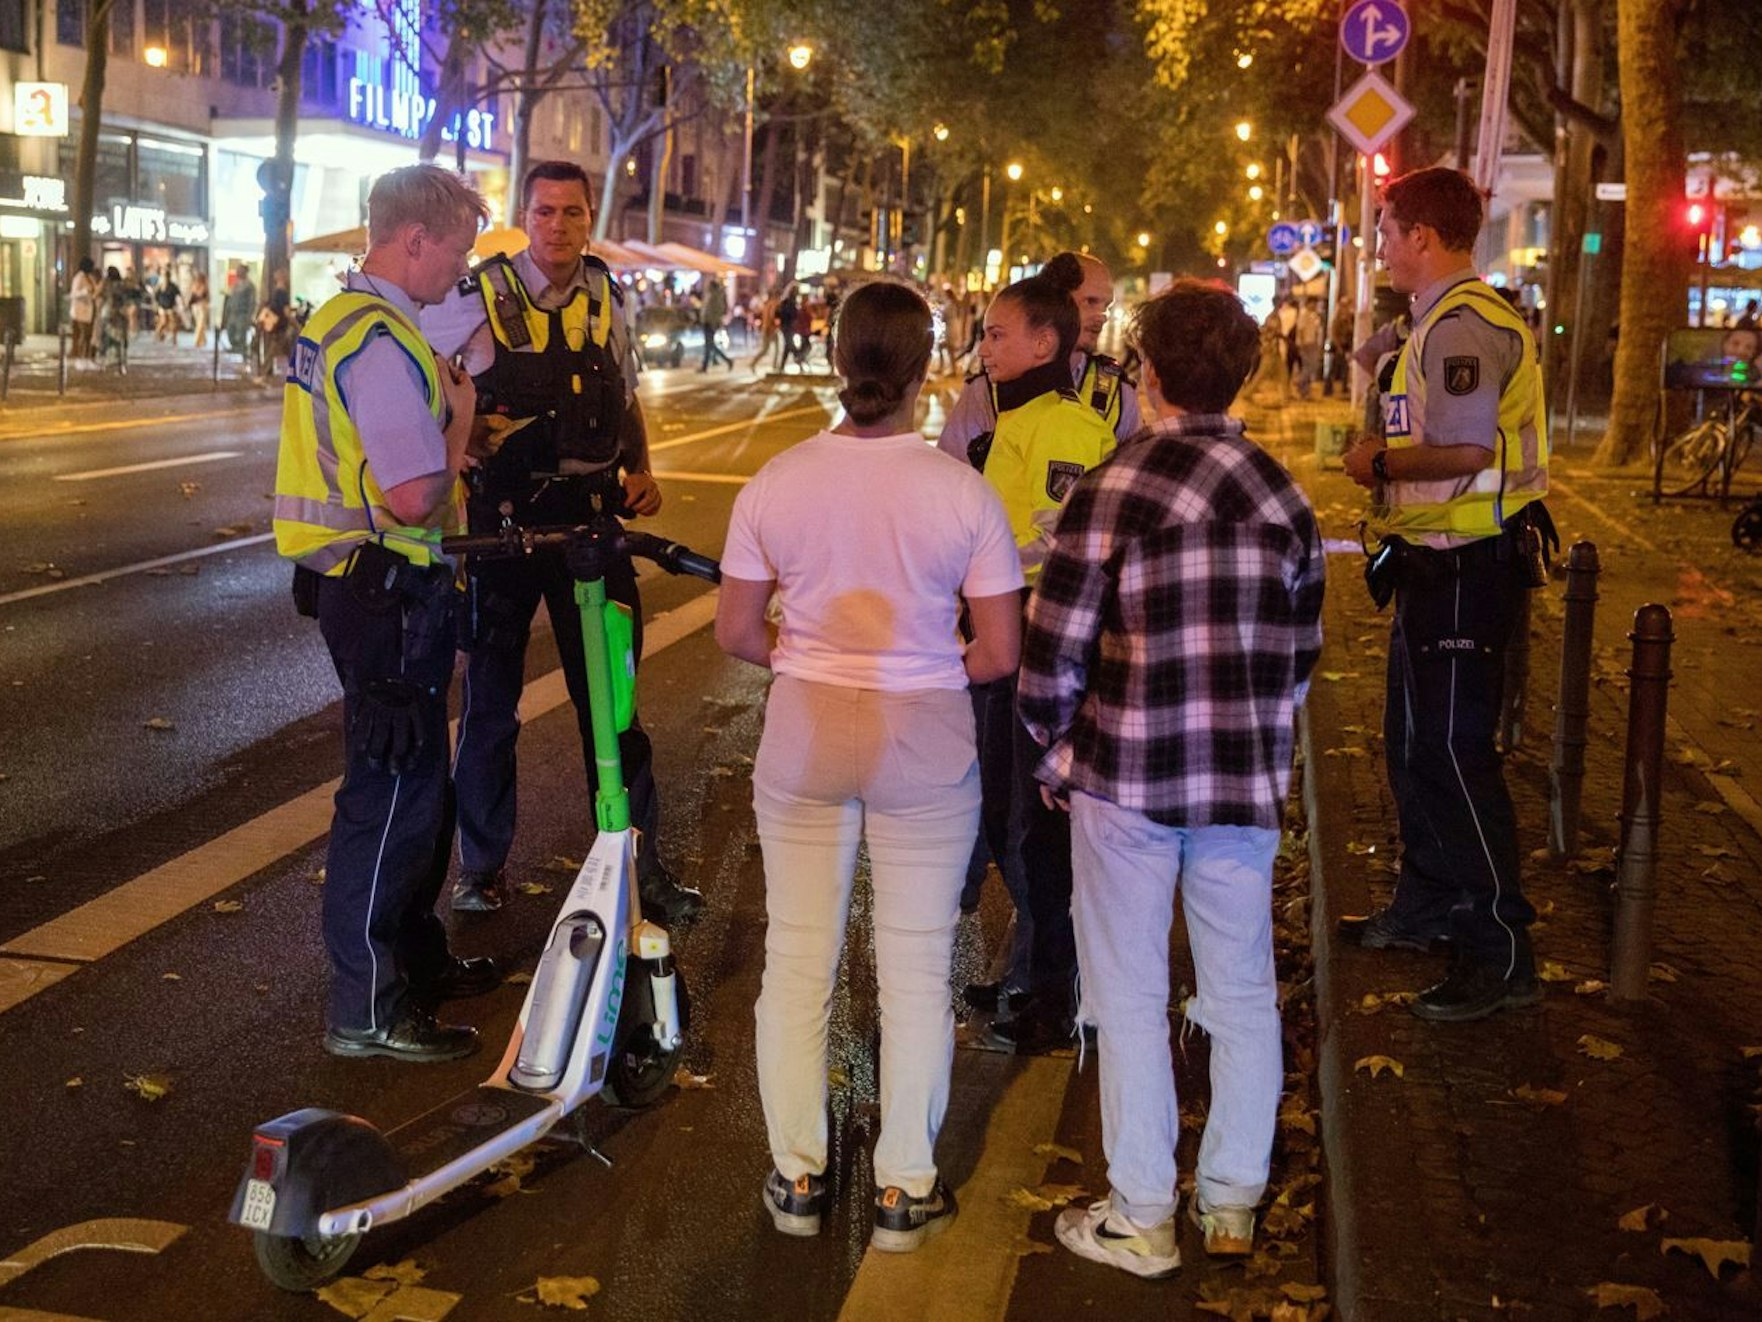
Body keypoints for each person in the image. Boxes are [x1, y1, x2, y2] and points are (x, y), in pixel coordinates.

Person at [1020, 279, 1324, 1280]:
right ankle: (1232, 1199)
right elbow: (1300, 655)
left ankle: (1142, 1211)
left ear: (1146, 372)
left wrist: (1056, 747)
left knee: (1129, 991)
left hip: (1126, 776)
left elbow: (1054, 649)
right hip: (1239, 783)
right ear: (1244, 373)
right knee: (1241, 988)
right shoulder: (1283, 496)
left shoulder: (1112, 487)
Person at [715, 279, 1023, 1253]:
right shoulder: (962, 491)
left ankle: (798, 1172)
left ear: (835, 355)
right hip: (924, 734)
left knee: (798, 958)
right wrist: (928, 667)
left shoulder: (776, 481)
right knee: (917, 966)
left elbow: (736, 630)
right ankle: (902, 1187)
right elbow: (1000, 651)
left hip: (805, 728)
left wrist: (808, 656)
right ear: (927, 364)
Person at [421, 159, 700, 924]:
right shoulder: (478, 295)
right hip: (503, 531)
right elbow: (413, 369)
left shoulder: (609, 296)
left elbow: (625, 395)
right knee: (491, 706)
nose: (558, 226)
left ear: (588, 219)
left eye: (572, 212)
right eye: (544, 212)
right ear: (525, 217)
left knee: (614, 704)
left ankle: (638, 861)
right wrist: (456, 436)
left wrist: (642, 469)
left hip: (590, 527)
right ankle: (481, 868)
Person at [272, 163, 498, 1062]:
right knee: (391, 794)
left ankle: (412, 963)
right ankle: (366, 1008)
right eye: (459, 252)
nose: (463, 270)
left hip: (366, 587)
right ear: (415, 240)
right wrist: (460, 419)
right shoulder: (376, 340)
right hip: (387, 593)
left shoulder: (340, 321)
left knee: (416, 787)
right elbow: (411, 494)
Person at [1340, 166, 1553, 1022]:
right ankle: (1427, 904)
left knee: (1456, 754)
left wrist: (1379, 463)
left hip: (1468, 565)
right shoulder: (1434, 321)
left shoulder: (1463, 326)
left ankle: (1499, 949)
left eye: (1388, 233)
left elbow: (1466, 452)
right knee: (1413, 745)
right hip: (1432, 561)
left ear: (1422, 236)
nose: (1381, 248)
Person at [963, 269, 1118, 1055]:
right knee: (1007, 816)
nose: (985, 348)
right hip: (1010, 632)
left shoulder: (1062, 425)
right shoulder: (1020, 416)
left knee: (1037, 827)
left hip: (1040, 639)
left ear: (1045, 342)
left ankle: (1055, 992)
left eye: (998, 334)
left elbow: (1057, 542)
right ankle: (1034, 970)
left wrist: (979, 563)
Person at [698, 275, 734, 371]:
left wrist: (713, 322)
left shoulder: (715, 297)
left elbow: (716, 311)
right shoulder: (710, 296)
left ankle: (726, 361)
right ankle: (706, 365)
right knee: (709, 345)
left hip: (710, 323)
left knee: (709, 345)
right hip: (707, 322)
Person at [1292, 296, 1324, 399]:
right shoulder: (1303, 314)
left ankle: (1305, 391)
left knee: (1310, 366)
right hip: (1306, 344)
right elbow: (1300, 329)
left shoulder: (1313, 315)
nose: (1315, 306)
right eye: (1313, 303)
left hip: (1313, 343)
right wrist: (1302, 344)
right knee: (1311, 366)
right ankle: (1300, 382)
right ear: (1309, 303)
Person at [223, 265, 256, 354]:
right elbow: (231, 298)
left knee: (240, 332)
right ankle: (234, 347)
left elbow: (252, 301)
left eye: (239, 270)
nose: (237, 272)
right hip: (232, 313)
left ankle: (241, 350)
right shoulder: (235, 284)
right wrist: (227, 311)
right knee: (230, 331)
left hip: (242, 313)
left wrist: (249, 315)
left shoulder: (249, 285)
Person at [69, 257, 98, 360]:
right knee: (83, 334)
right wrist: (85, 291)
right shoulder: (79, 277)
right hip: (80, 310)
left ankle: (86, 355)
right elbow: (74, 294)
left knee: (88, 335)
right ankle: (80, 354)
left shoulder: (90, 277)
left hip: (89, 310)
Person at [154, 269, 182, 344]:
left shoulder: (172, 286)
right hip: (162, 306)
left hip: (170, 306)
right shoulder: (160, 286)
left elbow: (178, 295)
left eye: (166, 276)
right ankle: (157, 333)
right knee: (163, 321)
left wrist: (180, 305)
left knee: (173, 321)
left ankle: (174, 338)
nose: (165, 278)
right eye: (164, 276)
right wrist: (157, 306)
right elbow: (156, 297)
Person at [188, 269, 211, 349]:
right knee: (200, 324)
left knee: (200, 324)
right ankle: (201, 340)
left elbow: (201, 294)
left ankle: (199, 341)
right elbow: (195, 294)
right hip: (197, 306)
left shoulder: (202, 285)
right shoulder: (197, 285)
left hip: (201, 306)